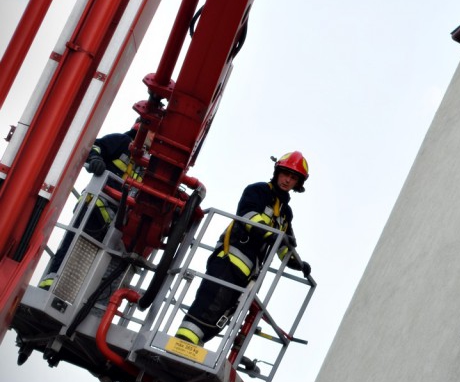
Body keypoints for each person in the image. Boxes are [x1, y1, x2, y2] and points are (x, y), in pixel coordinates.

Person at [175, 151, 312, 347]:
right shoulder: (258, 191)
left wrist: (296, 263)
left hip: (249, 273)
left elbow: (284, 244)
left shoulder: (286, 213)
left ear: (298, 184)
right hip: (229, 257)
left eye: (293, 177)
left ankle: (195, 344)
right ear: (277, 172)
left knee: (224, 310)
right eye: (285, 174)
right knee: (209, 298)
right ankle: (183, 341)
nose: (287, 180)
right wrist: (270, 233)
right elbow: (248, 216)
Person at [39, 125, 142, 290]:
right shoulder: (123, 141)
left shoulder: (146, 163)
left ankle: (66, 293)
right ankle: (49, 284)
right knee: (71, 246)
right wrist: (95, 159)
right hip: (94, 205)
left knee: (91, 263)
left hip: (114, 223)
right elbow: (95, 146)